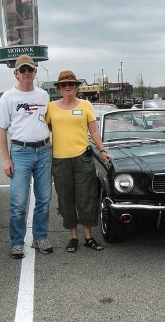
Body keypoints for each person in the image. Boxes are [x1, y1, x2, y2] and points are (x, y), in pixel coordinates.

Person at [0, 54, 53, 258]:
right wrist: (6, 159)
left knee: (44, 199)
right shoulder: (8, 97)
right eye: (22, 70)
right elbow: (1, 129)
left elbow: (49, 122)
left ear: (35, 72)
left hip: (44, 151)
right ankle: (17, 242)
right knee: (18, 202)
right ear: (16, 74)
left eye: (30, 70)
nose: (27, 73)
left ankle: (40, 237)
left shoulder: (43, 96)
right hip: (20, 153)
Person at [45, 70, 112, 253]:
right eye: (64, 85)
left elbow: (94, 131)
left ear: (76, 86)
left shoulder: (86, 105)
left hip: (83, 158)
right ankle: (73, 237)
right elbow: (45, 129)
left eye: (71, 84)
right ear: (59, 88)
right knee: (66, 200)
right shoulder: (50, 107)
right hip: (60, 160)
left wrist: (102, 150)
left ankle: (88, 237)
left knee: (86, 199)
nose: (68, 87)